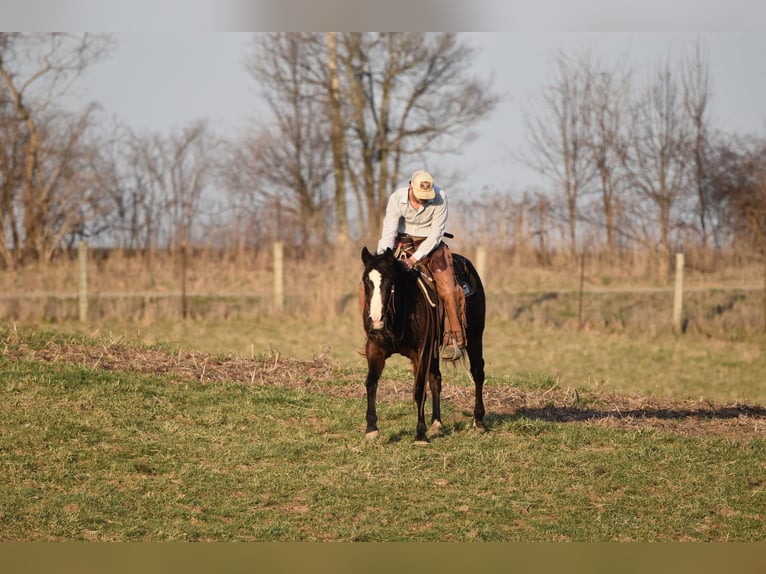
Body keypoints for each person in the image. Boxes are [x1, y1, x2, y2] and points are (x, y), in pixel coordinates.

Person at [375, 169, 466, 360]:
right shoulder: (396, 198)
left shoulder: (440, 197)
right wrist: (382, 259)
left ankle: (455, 339)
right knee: (377, 283)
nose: (423, 200)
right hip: (403, 241)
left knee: (449, 289)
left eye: (426, 197)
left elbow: (436, 233)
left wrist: (415, 258)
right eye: (419, 196)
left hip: (430, 245)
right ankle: (376, 330)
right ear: (411, 187)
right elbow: (389, 232)